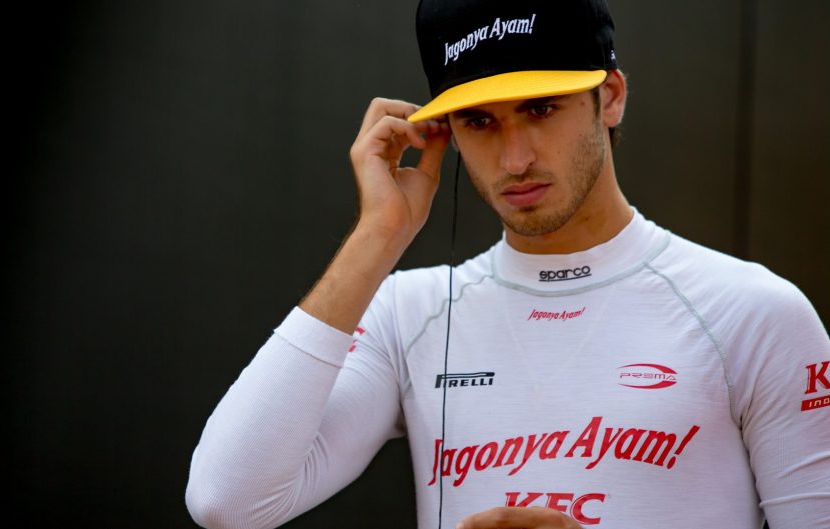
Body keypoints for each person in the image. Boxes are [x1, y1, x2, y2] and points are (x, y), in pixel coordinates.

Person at [185, 0, 830, 527]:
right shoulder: (410, 313)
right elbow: (227, 500)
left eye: (540, 109)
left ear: (609, 98)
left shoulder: (754, 313)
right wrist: (377, 235)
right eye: (479, 121)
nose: (514, 158)